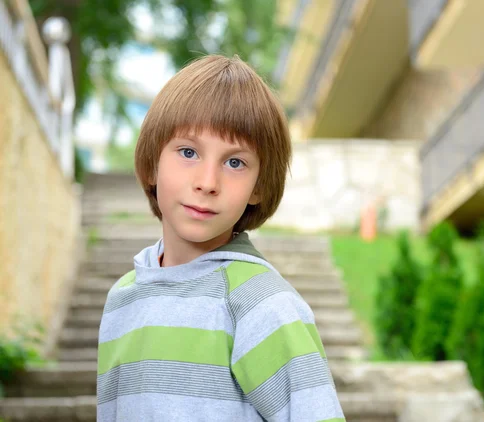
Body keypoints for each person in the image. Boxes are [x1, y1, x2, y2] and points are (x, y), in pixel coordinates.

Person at [96, 54, 346, 422]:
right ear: (152, 163)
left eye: (234, 162)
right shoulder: (122, 298)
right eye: (188, 152)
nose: (207, 182)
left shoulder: (261, 305)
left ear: (258, 187)